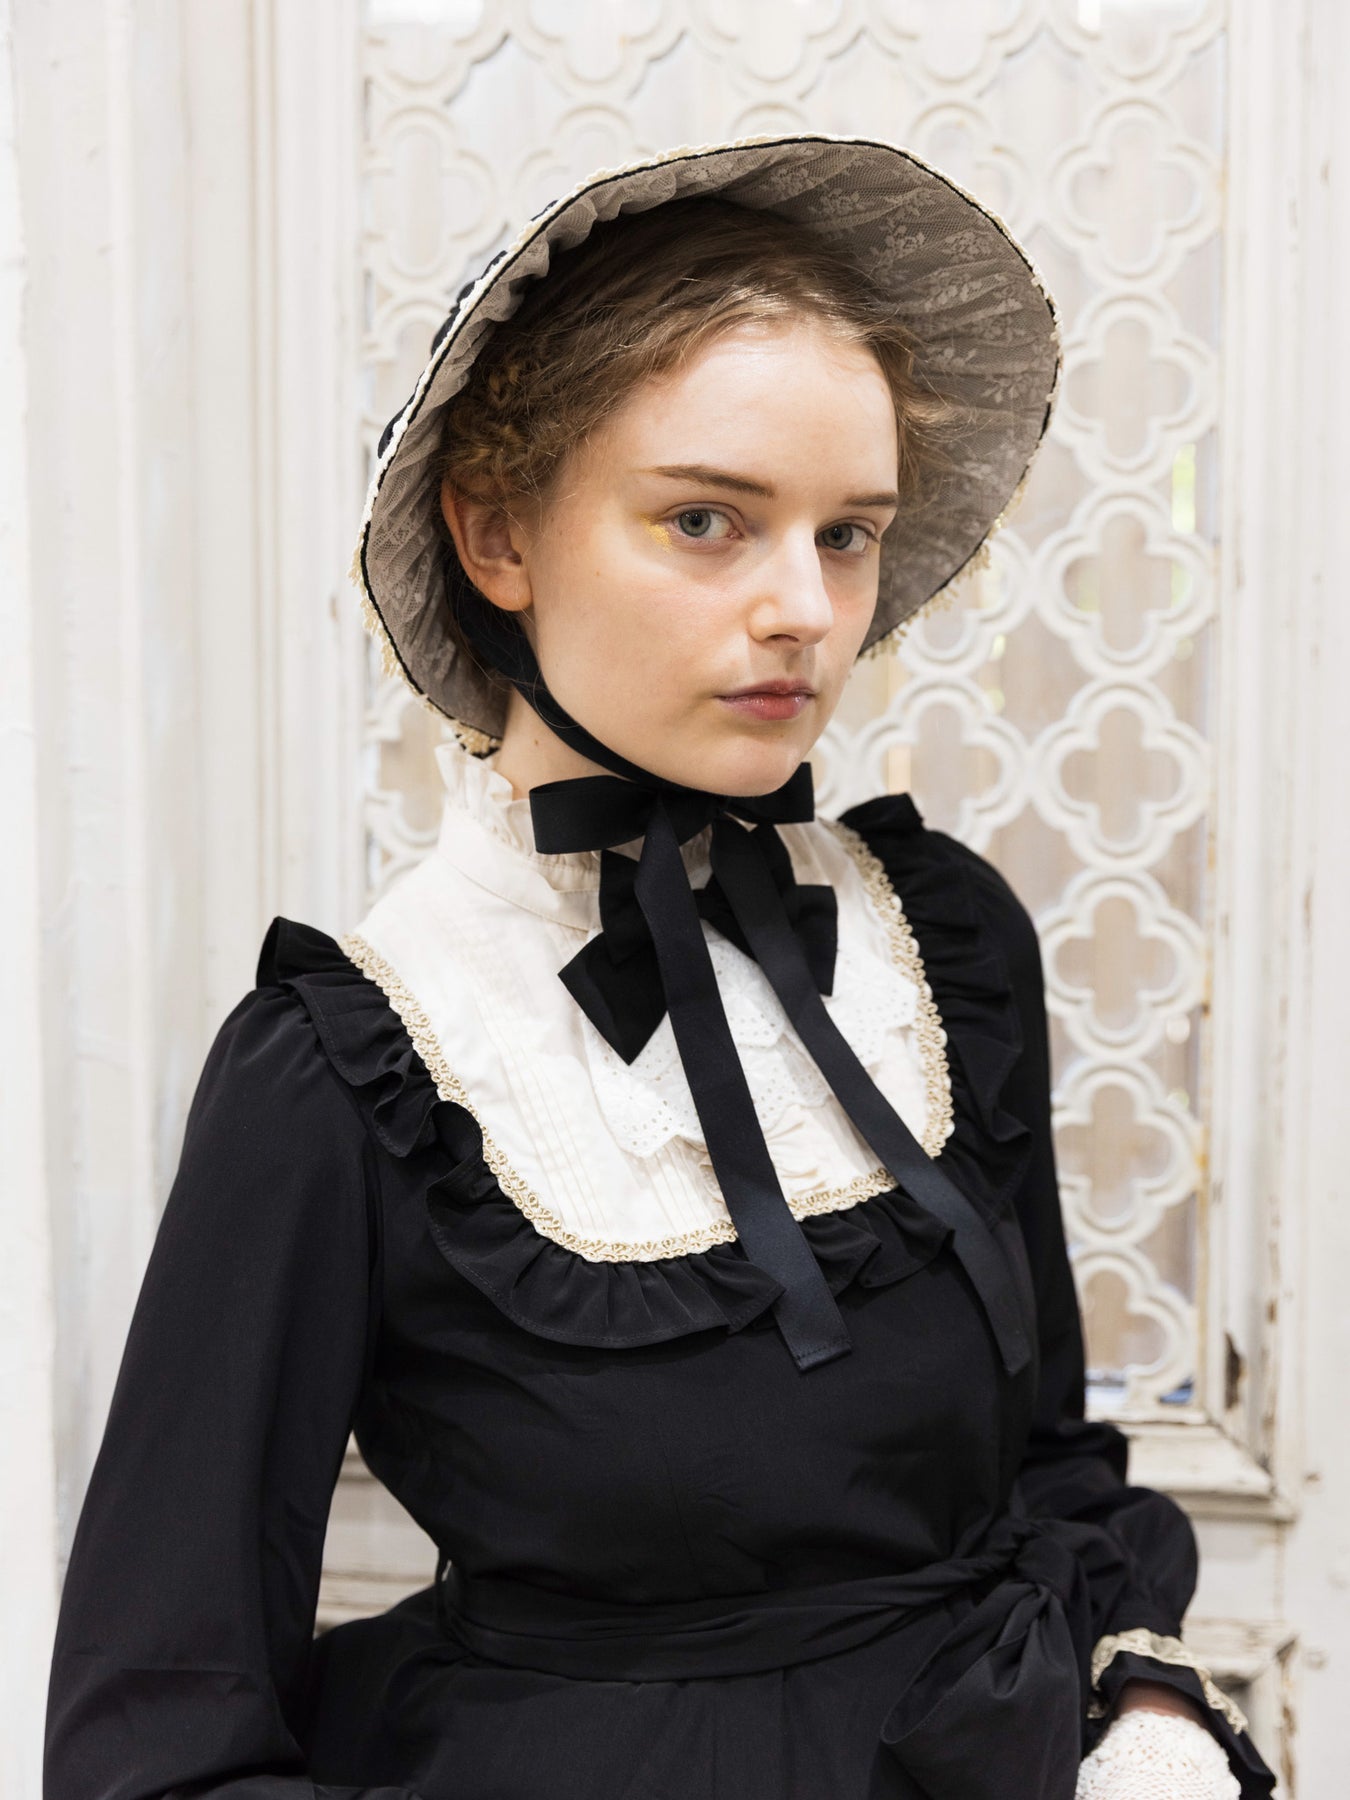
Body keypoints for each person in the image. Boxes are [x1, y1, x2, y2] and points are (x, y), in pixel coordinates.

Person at [43, 134, 1276, 1800]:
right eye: (707, 520)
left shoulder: (944, 946)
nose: (805, 611)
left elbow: (1044, 1459)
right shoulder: (356, 1064)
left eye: (847, 535)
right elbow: (157, 1735)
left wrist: (1147, 1709)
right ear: (497, 535)